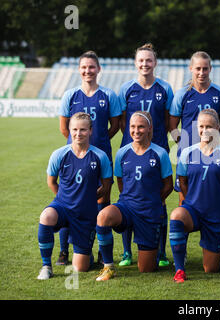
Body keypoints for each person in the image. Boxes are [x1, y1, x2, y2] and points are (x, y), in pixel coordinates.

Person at [57, 51, 121, 266]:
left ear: (98, 69)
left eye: (91, 67)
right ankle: (64, 251)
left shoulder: (108, 95)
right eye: (84, 67)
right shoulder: (70, 95)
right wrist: (79, 146)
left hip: (101, 157)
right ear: (79, 69)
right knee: (69, 202)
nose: (88, 71)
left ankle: (103, 251)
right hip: (74, 159)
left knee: (102, 200)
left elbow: (115, 125)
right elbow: (64, 128)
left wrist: (99, 141)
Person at [95, 111, 173, 281]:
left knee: (146, 269)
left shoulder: (160, 153)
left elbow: (168, 185)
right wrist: (130, 199)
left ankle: (150, 252)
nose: (136, 130)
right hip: (127, 207)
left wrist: (154, 201)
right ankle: (108, 267)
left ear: (149, 128)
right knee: (103, 216)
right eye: (132, 126)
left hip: (149, 212)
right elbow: (121, 182)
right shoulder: (122, 153)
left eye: (141, 127)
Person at [169, 51, 220, 265]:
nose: (201, 72)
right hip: (190, 157)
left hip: (213, 155)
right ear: (191, 69)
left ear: (210, 69)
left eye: (205, 68)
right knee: (184, 201)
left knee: (218, 201)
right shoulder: (182, 94)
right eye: (198, 68)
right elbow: (172, 125)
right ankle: (181, 251)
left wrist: (214, 145)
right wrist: (184, 145)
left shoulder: (219, 93)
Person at [37, 112, 113, 280]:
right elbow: (51, 182)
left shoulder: (100, 156)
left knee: (80, 268)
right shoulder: (59, 154)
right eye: (75, 129)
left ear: (91, 131)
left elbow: (106, 186)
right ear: (69, 130)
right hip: (63, 207)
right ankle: (46, 266)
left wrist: (87, 199)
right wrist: (66, 199)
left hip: (86, 214)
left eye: (83, 130)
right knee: (46, 216)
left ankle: (88, 255)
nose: (78, 134)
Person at [118, 44, 174, 267]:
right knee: (128, 199)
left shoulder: (165, 88)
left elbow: (169, 121)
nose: (145, 64)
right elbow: (123, 122)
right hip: (132, 150)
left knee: (159, 202)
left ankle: (160, 252)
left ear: (155, 63)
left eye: (148, 61)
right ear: (135, 63)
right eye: (141, 61)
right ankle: (126, 252)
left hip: (158, 150)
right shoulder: (126, 89)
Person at [169, 109, 220, 283]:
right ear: (196, 128)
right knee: (177, 215)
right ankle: (179, 269)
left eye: (209, 126)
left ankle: (218, 256)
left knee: (210, 269)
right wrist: (190, 200)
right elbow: (182, 181)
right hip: (193, 210)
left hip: (215, 215)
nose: (205, 130)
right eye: (201, 126)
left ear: (218, 128)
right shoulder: (187, 153)